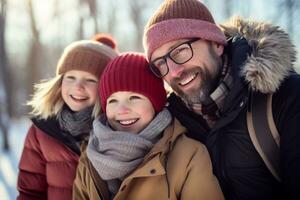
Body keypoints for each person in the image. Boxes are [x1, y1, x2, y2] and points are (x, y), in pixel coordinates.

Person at [143, 0, 300, 199]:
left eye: (180, 51)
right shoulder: (173, 125)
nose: (174, 71)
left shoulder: (286, 97)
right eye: (160, 63)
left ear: (216, 44)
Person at [72, 52, 224, 200]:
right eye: (113, 101)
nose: (122, 110)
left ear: (155, 104)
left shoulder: (189, 155)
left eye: (134, 97)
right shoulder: (90, 156)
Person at [17, 38, 118, 200]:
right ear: (60, 82)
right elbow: (30, 192)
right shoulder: (41, 131)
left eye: (90, 79)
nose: (78, 86)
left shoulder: (117, 129)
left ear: (105, 87)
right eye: (71, 77)